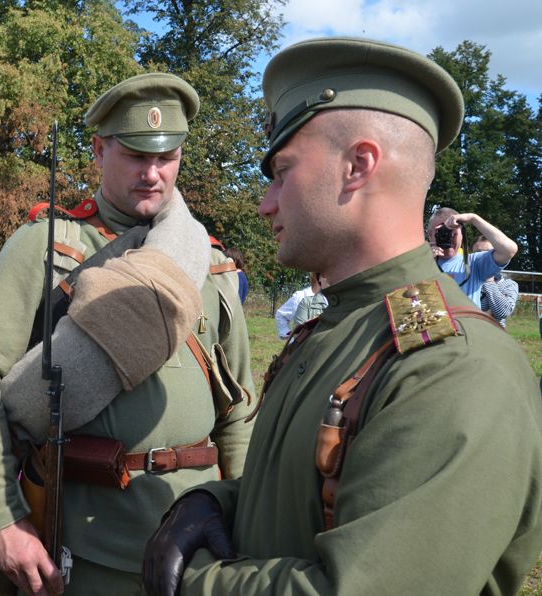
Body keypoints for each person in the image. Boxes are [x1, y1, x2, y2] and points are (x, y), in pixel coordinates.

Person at [143, 36, 542, 595]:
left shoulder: (454, 369)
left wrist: (196, 583)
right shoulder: (339, 330)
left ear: (358, 165)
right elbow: (297, 495)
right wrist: (215, 500)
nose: (265, 201)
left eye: (282, 171)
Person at [0, 72, 255, 595]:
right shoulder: (46, 250)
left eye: (167, 156)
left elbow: (237, 410)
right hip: (77, 550)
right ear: (99, 149)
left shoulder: (210, 264)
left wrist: (244, 522)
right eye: (135, 154)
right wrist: (2, 521)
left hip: (196, 549)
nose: (152, 173)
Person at [427, 206, 517, 307]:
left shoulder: (474, 262)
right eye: (440, 232)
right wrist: (424, 263)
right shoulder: (421, 263)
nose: (448, 237)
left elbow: (509, 250)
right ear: (430, 235)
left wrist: (473, 218)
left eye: (453, 233)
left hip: (463, 322)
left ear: (462, 234)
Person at [473, 237, 519, 327]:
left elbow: (503, 312)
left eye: (488, 252)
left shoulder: (508, 284)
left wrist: (489, 280)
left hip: (493, 336)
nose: (483, 256)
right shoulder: (465, 279)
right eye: (478, 252)